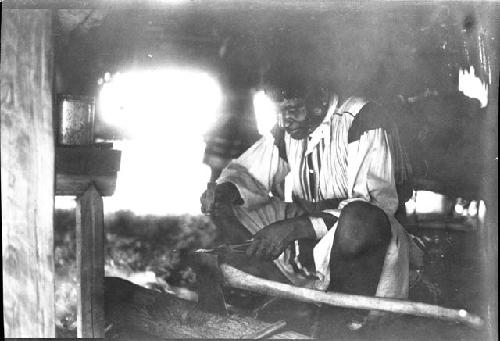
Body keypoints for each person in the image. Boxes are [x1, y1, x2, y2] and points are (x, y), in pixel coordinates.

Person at [200, 76, 422, 304]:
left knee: (359, 218)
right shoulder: (288, 130)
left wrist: (295, 228)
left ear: (320, 98)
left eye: (293, 109)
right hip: (310, 240)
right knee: (229, 205)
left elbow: (376, 209)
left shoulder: (362, 119)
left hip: (367, 244)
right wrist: (224, 192)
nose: (285, 121)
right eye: (279, 112)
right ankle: (288, 298)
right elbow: (248, 172)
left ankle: (340, 313)